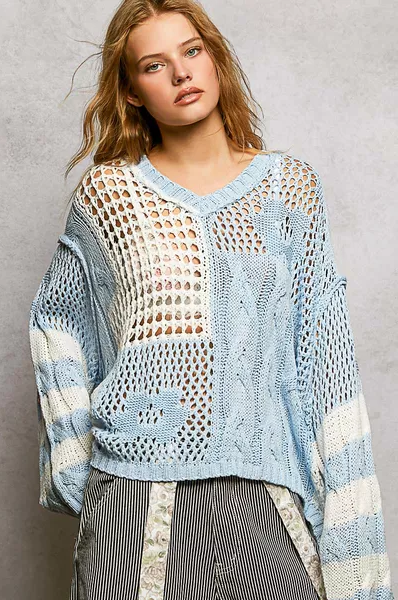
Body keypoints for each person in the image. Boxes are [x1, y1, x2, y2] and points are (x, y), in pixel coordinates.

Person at [28, 1, 393, 600]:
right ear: (132, 92)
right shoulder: (109, 198)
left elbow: (328, 363)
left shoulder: (289, 190)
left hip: (265, 496)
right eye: (154, 64)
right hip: (133, 499)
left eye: (192, 51)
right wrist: (76, 461)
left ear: (215, 58)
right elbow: (57, 321)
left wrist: (354, 544)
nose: (181, 73)